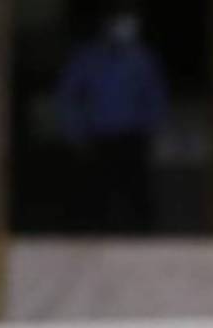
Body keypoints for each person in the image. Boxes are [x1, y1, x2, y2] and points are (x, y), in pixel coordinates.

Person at [55, 11, 168, 232]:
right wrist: (74, 132)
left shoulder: (142, 58)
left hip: (132, 137)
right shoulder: (87, 58)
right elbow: (68, 96)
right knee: (96, 193)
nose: (124, 27)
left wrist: (152, 128)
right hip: (97, 136)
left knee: (137, 191)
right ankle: (94, 237)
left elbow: (155, 96)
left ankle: (143, 234)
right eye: (118, 22)